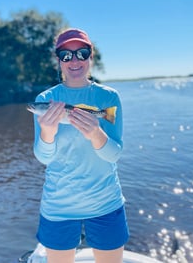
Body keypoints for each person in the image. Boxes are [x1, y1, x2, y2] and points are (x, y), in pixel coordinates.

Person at [33, 28, 129, 263]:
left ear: (90, 57)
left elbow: (114, 155)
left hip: (106, 202)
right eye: (66, 55)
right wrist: (47, 131)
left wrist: (95, 133)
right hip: (59, 206)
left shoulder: (108, 98)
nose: (74, 60)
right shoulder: (45, 100)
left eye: (82, 53)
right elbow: (44, 158)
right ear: (59, 60)